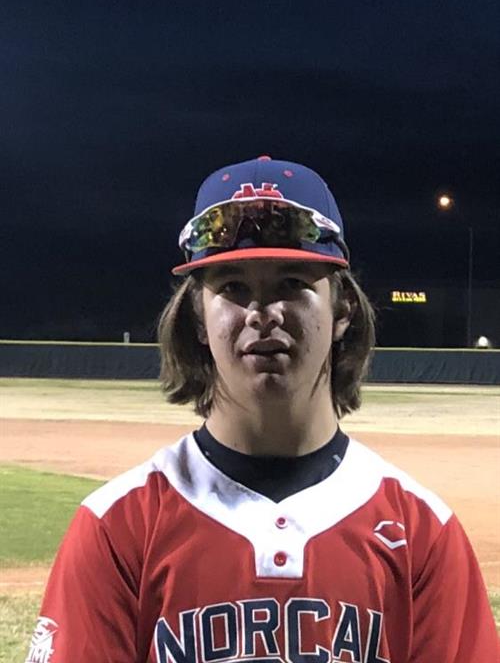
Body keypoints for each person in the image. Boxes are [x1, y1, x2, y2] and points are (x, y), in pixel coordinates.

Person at [27, 156, 498, 662]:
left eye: (292, 283)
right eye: (232, 286)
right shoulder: (117, 528)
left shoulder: (423, 533)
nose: (261, 313)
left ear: (342, 308)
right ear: (198, 317)